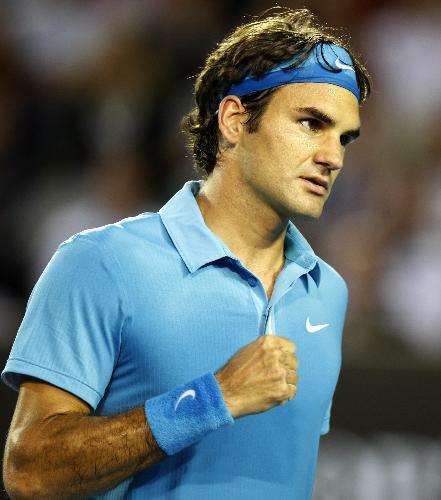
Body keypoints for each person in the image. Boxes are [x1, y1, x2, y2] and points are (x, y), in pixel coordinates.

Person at [2, 8, 370, 500]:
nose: (334, 156)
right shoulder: (100, 263)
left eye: (344, 138)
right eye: (311, 124)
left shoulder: (328, 292)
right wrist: (212, 399)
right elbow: (30, 472)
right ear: (236, 120)